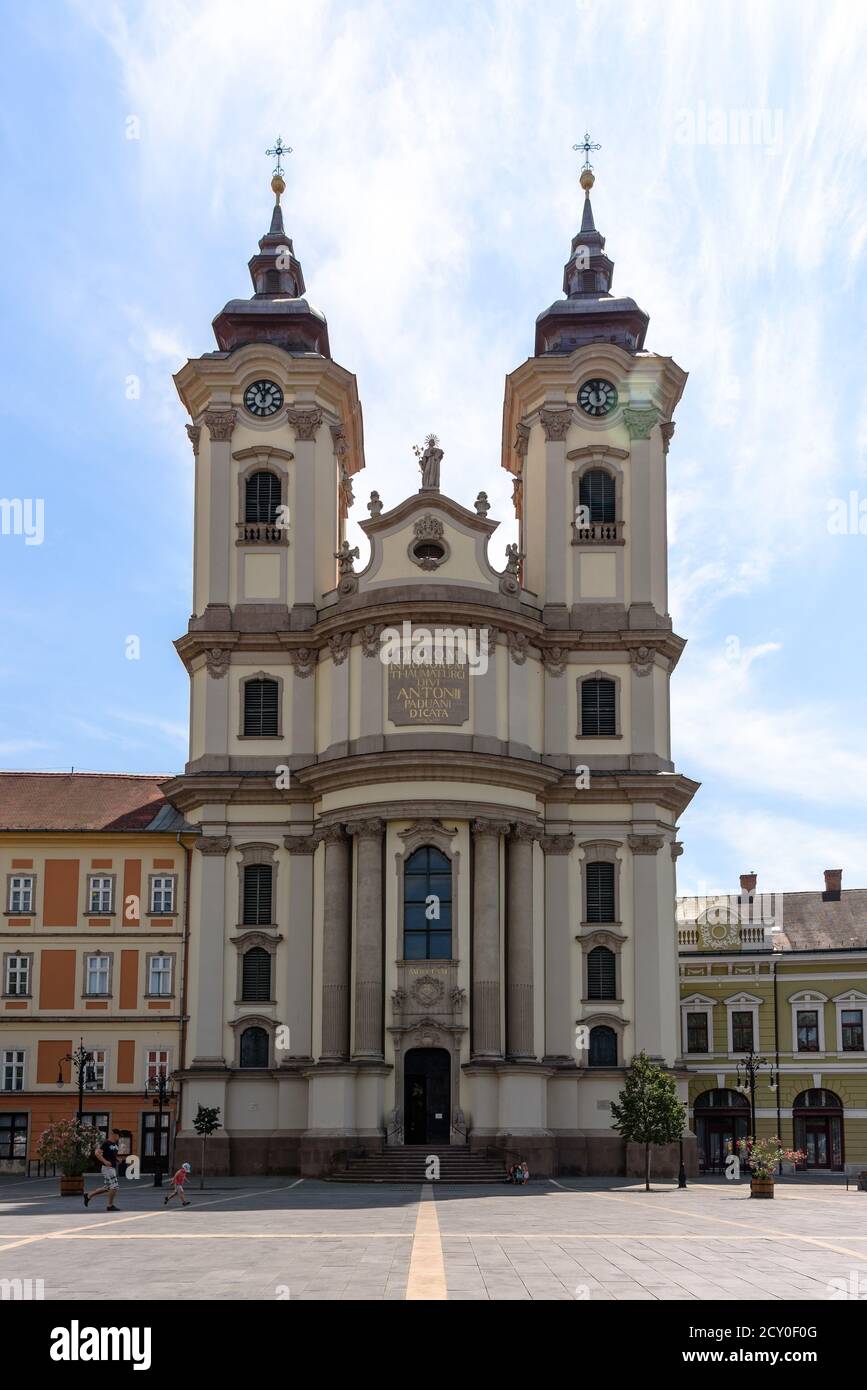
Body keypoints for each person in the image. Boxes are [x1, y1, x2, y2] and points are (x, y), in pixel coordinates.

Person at [84, 1128, 121, 1210]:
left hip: (112, 1168)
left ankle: (89, 1195)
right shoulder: (106, 1143)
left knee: (107, 1187)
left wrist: (117, 1159)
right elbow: (97, 1153)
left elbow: (112, 1155)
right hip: (107, 1168)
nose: (119, 1138)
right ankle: (110, 1205)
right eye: (119, 1136)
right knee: (114, 1186)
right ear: (114, 1135)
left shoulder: (115, 1145)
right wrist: (105, 1161)